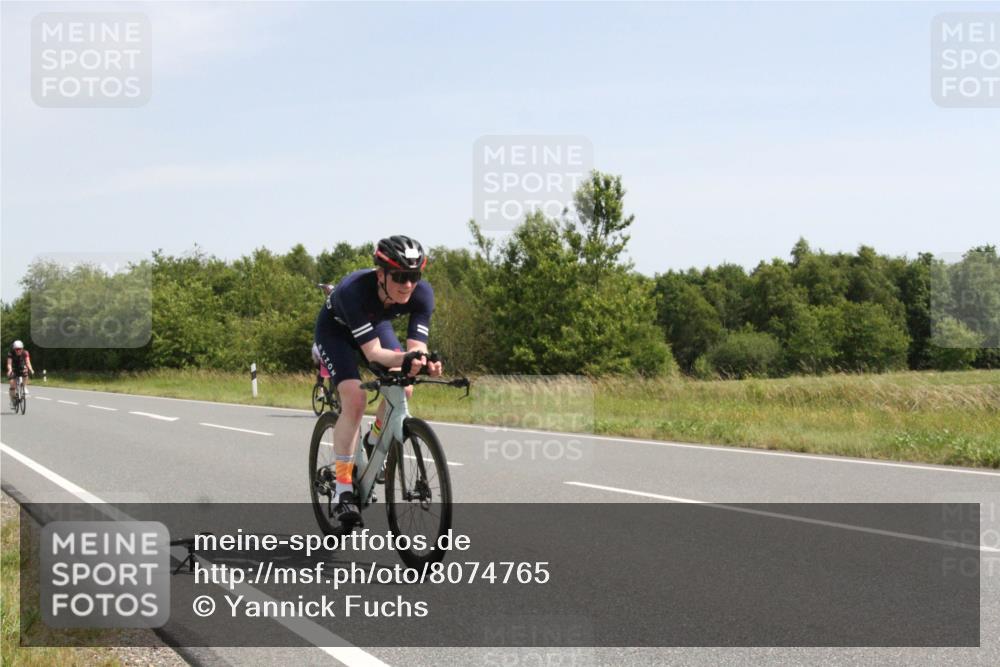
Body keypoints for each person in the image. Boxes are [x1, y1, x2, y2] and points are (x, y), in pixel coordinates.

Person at [313, 236, 442, 525]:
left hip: (374, 326)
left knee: (404, 387)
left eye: (414, 276)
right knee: (355, 399)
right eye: (399, 276)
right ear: (381, 274)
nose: (408, 284)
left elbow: (416, 348)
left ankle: (373, 440)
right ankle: (343, 489)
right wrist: (408, 358)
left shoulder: (422, 295)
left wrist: (425, 362)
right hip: (335, 333)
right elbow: (373, 353)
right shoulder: (353, 291)